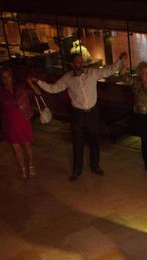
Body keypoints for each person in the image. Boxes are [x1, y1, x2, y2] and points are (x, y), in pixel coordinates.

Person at [29, 51, 126, 181]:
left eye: (81, 61)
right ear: (72, 64)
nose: (80, 64)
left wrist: (120, 60)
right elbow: (53, 89)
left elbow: (109, 71)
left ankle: (95, 165)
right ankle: (77, 170)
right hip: (78, 114)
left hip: (92, 112)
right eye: (78, 62)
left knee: (94, 140)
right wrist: (39, 82)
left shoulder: (92, 72)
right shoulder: (67, 78)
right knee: (77, 142)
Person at [121, 61, 147, 171]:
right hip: (142, 116)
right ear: (140, 74)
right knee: (145, 141)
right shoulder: (136, 83)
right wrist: (123, 66)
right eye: (144, 73)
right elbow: (124, 77)